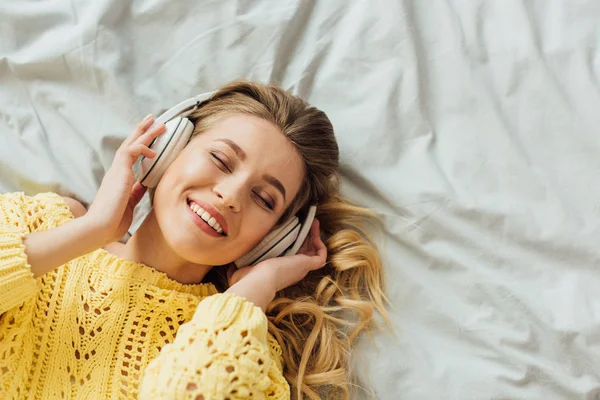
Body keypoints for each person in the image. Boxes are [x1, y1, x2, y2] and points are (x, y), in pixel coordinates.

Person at [0, 80, 389, 399]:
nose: (231, 196)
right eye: (221, 160)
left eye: (264, 198)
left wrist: (254, 290)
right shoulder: (46, 224)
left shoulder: (242, 346)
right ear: (167, 149)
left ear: (275, 239)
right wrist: (91, 229)